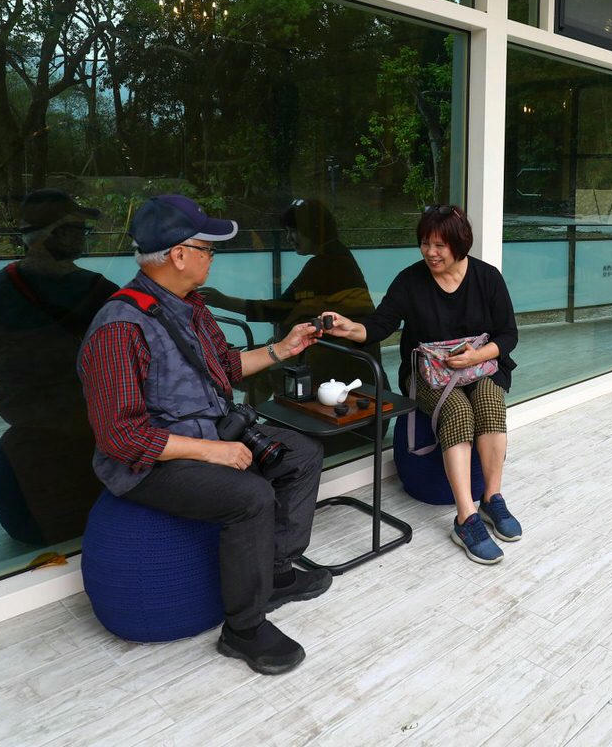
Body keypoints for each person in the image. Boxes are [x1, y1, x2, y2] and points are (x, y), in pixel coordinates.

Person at [77, 193, 328, 675]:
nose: (213, 257)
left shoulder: (191, 307)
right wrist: (211, 452)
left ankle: (273, 571)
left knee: (302, 453)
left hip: (209, 431)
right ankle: (244, 629)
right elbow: (120, 437)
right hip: (150, 464)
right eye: (207, 248)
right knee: (251, 496)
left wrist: (285, 347)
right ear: (178, 254)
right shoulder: (118, 326)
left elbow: (228, 368)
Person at [322, 204, 521, 566]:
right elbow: (381, 324)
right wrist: (350, 328)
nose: (431, 252)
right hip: (428, 373)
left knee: (491, 403)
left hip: (477, 368)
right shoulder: (411, 281)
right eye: (425, 244)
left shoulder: (487, 278)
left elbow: (508, 335)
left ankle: (492, 498)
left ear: (460, 244)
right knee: (458, 410)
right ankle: (466, 518)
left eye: (440, 245)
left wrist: (474, 358)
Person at [0, 188, 115, 547]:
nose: (83, 237)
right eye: (77, 228)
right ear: (54, 235)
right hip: (93, 450)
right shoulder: (102, 293)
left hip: (24, 490)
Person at [201, 197, 380, 396]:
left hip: (340, 365)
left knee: (260, 374)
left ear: (313, 228)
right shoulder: (336, 256)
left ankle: (248, 422)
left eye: (293, 230)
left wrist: (222, 301)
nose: (288, 238)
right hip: (347, 361)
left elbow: (281, 308)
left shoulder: (326, 263)